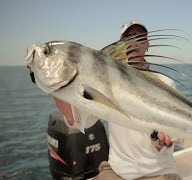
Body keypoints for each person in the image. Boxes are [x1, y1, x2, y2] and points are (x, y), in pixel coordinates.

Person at [55, 20, 182, 180]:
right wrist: (58, 84)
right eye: (127, 38)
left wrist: (159, 142)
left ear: (148, 44)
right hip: (116, 170)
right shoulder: (103, 82)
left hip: (158, 171)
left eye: (140, 37)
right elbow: (77, 120)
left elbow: (174, 134)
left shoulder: (164, 83)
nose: (134, 42)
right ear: (119, 45)